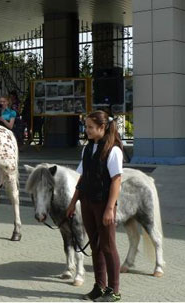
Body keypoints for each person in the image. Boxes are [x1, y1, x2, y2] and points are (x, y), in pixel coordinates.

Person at [66, 110, 123, 302]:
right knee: (96, 246)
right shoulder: (87, 149)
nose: (87, 130)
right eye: (86, 126)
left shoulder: (113, 150)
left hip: (103, 204)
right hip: (87, 203)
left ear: (102, 127)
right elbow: (83, 178)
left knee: (108, 246)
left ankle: (114, 291)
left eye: (90, 127)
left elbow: (116, 180)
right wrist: (73, 202)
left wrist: (109, 208)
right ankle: (99, 286)